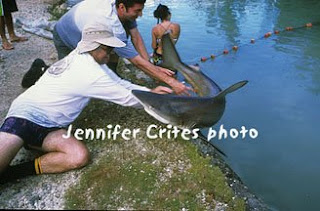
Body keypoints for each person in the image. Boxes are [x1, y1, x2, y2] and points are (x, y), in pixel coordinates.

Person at [0, 20, 172, 184]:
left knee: (78, 156)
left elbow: (120, 83)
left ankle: (12, 173)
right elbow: (127, 98)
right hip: (24, 117)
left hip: (50, 125)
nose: (111, 53)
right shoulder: (90, 72)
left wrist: (150, 92)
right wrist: (156, 99)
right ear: (93, 47)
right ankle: (23, 145)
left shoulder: (85, 56)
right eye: (108, 49)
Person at [51, 0, 190, 95]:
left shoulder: (120, 8)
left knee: (108, 55)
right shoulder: (112, 25)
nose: (140, 14)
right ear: (122, 7)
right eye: (138, 11)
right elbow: (136, 61)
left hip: (87, 28)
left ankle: (111, 78)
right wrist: (172, 82)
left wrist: (152, 66)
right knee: (70, 77)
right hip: (65, 34)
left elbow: (136, 37)